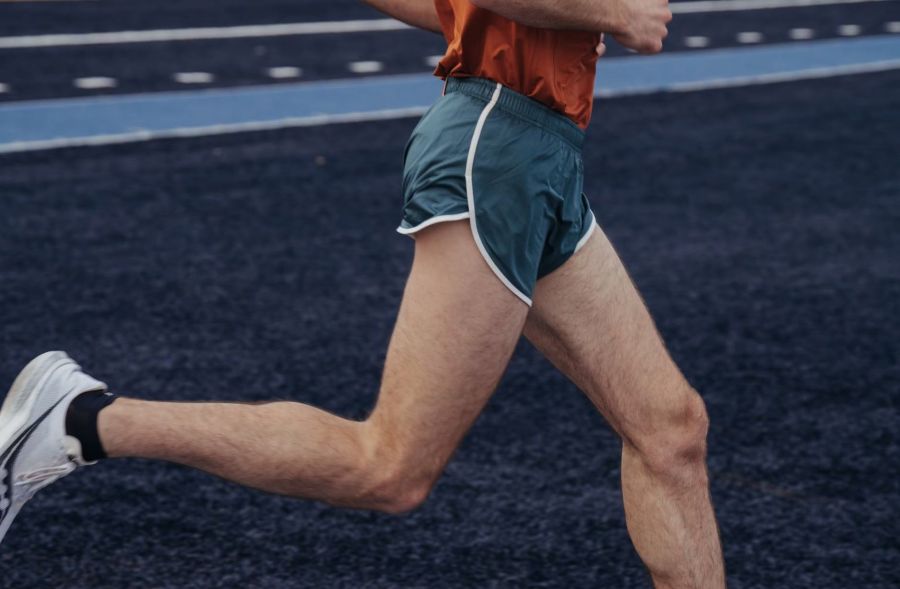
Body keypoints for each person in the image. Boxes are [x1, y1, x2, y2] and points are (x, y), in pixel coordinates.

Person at [0, 0, 726, 586]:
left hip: (541, 152)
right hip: (497, 149)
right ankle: (81, 417)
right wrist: (614, 13)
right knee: (390, 467)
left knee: (670, 430)